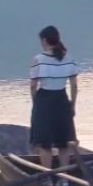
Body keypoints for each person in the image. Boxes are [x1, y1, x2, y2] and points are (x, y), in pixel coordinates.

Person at [28, 25, 81, 172]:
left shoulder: (38, 59)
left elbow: (33, 86)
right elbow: (74, 85)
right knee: (63, 142)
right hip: (62, 99)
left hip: (44, 100)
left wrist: (36, 104)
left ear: (44, 40)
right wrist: (72, 105)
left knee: (45, 144)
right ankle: (64, 180)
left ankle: (48, 177)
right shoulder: (69, 58)